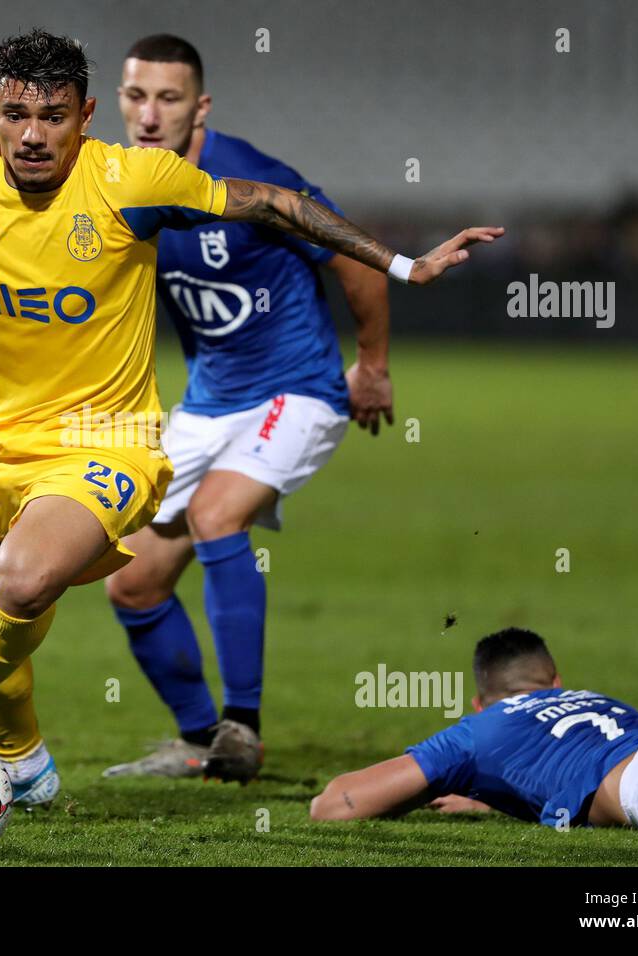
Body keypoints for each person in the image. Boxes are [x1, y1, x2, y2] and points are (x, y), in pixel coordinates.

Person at [0, 29, 501, 806]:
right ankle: (24, 757)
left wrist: (408, 265)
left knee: (27, 576)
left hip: (109, 439)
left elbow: (275, 204)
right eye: (15, 114)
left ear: (85, 116)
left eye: (55, 116)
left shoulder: (132, 180)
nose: (34, 135)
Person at [103, 34, 394, 782]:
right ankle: (201, 741)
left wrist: (371, 366)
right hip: (207, 405)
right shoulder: (120, 186)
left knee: (216, 516)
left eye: (168, 98)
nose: (148, 113)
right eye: (136, 96)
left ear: (199, 107)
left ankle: (244, 728)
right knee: (130, 579)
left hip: (295, 389)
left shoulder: (254, 178)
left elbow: (360, 262)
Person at [310, 628, 638, 839]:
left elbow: (335, 805)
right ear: (556, 682)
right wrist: (485, 794)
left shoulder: (473, 734)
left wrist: (445, 774)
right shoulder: (594, 696)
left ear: (478, 703)